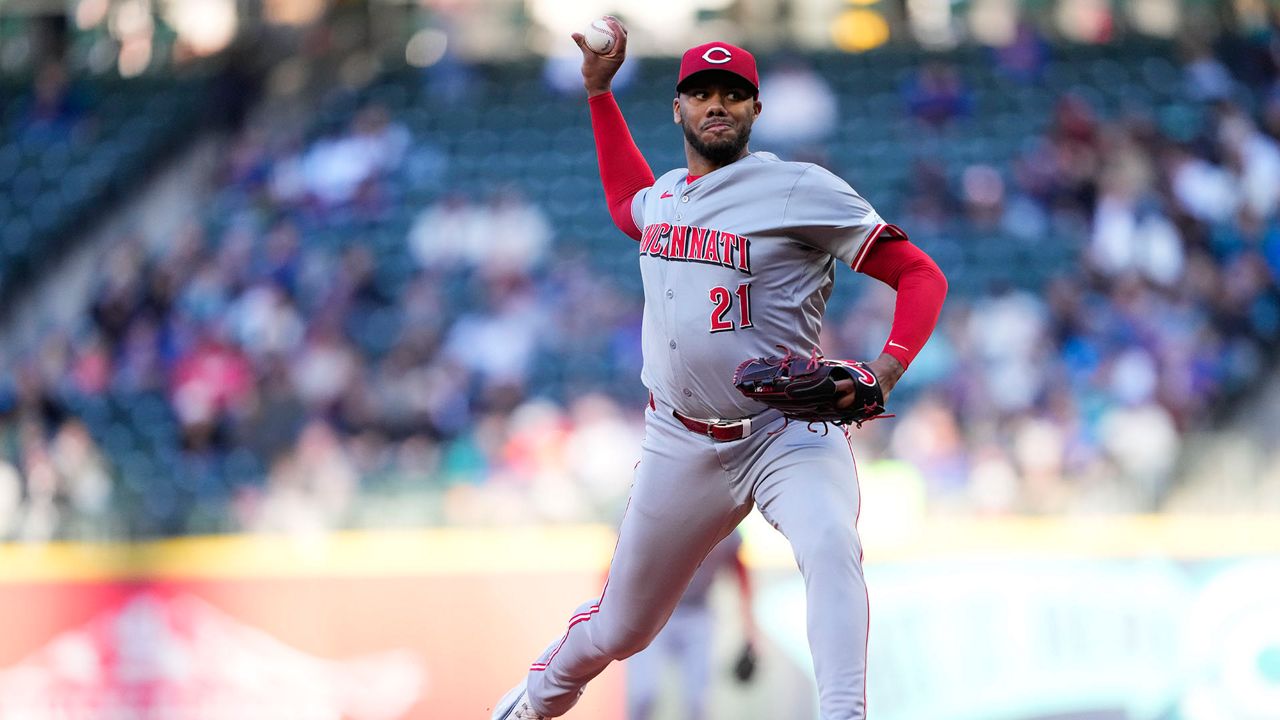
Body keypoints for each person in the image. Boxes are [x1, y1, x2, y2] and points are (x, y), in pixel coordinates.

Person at [491, 18, 947, 720]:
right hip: (680, 442)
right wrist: (599, 95)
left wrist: (883, 374)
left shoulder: (799, 189)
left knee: (830, 543)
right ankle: (528, 708)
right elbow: (625, 205)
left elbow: (919, 274)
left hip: (786, 428)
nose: (716, 105)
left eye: (732, 94)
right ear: (677, 108)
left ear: (755, 110)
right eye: (701, 93)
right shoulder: (667, 195)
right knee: (622, 628)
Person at [625, 531, 756, 720]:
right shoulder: (658, 508)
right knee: (643, 694)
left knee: (698, 701)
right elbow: (618, 565)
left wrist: (750, 630)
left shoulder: (727, 514)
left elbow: (739, 569)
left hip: (697, 613)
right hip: (652, 611)